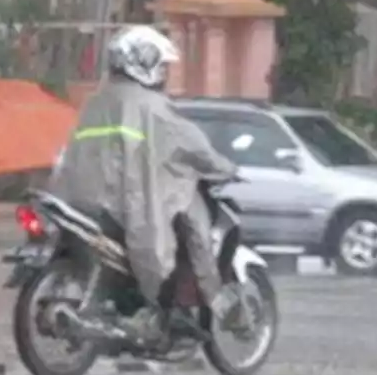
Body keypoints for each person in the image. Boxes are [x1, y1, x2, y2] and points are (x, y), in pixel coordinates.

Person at [50, 25, 243, 341]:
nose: (165, 74)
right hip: (122, 204)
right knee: (185, 223)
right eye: (162, 65)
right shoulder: (153, 107)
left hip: (80, 199)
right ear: (144, 62)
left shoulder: (95, 102)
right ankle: (160, 307)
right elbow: (194, 147)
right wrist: (225, 167)